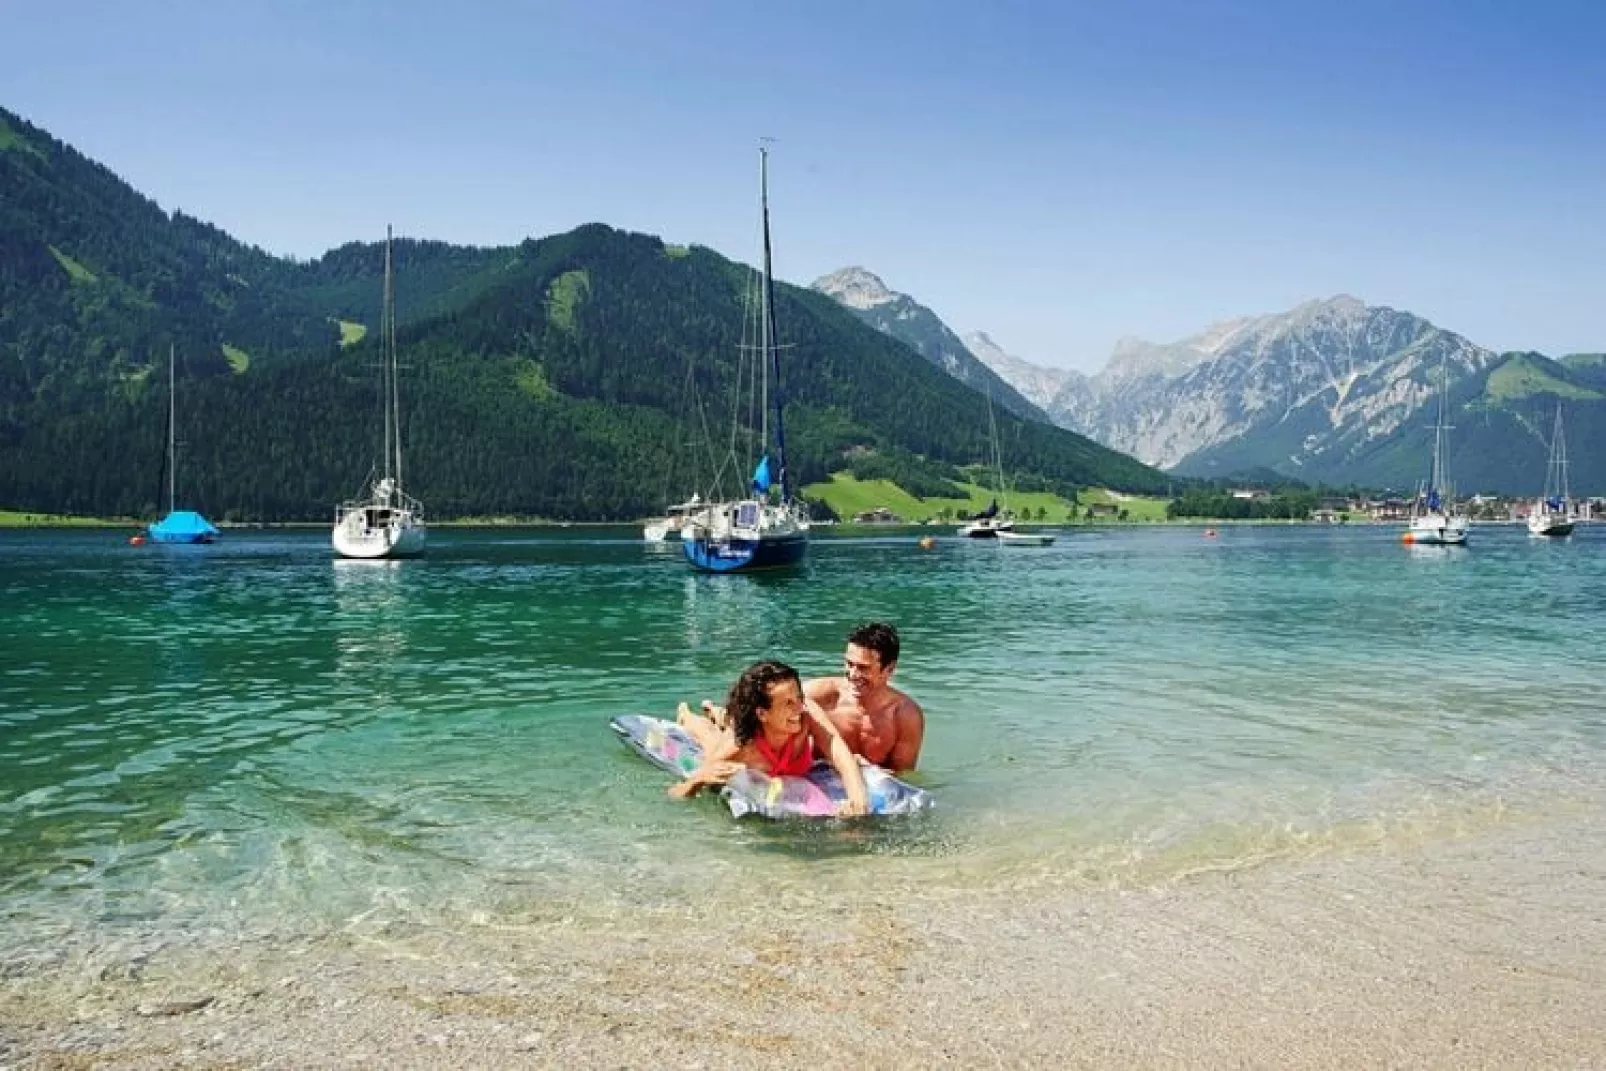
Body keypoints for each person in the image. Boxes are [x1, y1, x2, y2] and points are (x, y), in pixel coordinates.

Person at [669, 660, 869, 817]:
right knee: (709, 738)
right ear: (763, 714)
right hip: (747, 734)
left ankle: (719, 713)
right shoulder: (741, 746)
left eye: (799, 697)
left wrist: (857, 801)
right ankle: (688, 715)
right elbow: (676, 793)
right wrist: (698, 780)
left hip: (767, 739)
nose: (799, 708)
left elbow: (839, 752)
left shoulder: (807, 714)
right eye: (788, 703)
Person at [805, 622, 924, 772]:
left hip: (873, 788)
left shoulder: (905, 715)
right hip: (817, 782)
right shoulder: (816, 696)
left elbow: (903, 777)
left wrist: (867, 770)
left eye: (863, 668)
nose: (853, 674)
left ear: (889, 669)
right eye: (849, 664)